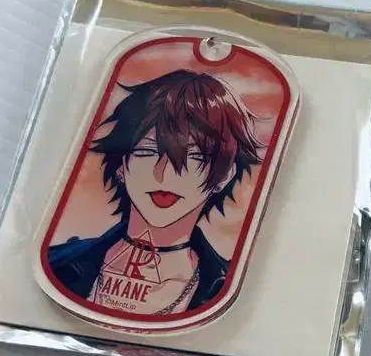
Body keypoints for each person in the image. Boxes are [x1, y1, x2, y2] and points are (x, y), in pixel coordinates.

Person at [47, 69, 263, 316]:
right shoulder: (57, 262)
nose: (164, 174)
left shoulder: (228, 291)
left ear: (224, 176)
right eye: (147, 152)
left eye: (194, 157)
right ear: (121, 165)